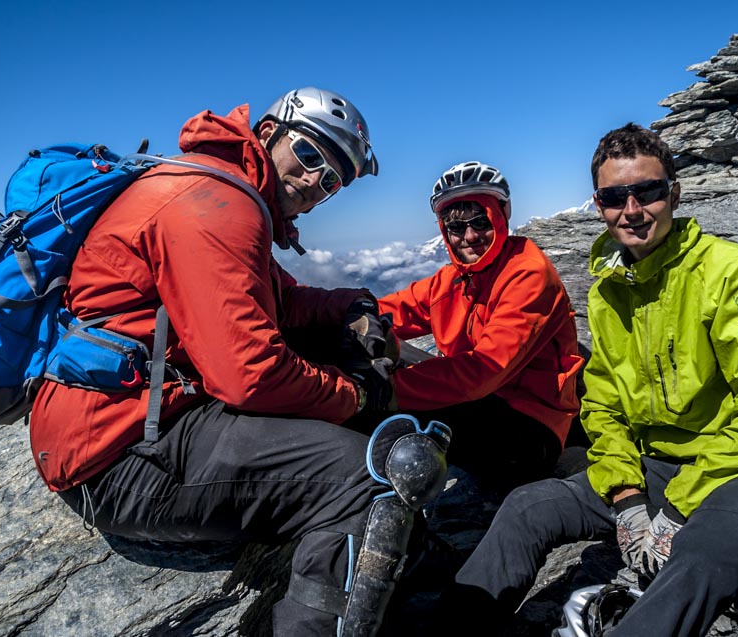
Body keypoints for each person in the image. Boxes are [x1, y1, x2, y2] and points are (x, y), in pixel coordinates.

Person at [28, 87, 439, 636]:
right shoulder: (218, 205)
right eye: (312, 156)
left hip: (132, 418)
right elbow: (249, 375)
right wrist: (354, 395)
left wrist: (350, 303)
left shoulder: (218, 188)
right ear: (268, 135)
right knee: (365, 481)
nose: (318, 181)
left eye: (334, 179)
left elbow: (279, 302)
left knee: (335, 361)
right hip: (121, 452)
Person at [442, 124, 738, 635]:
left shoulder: (734, 275)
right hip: (660, 465)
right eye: (613, 197)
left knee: (706, 554)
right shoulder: (610, 290)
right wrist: (626, 498)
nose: (631, 209)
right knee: (528, 507)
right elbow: (602, 402)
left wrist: (674, 510)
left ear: (674, 193)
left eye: (646, 191)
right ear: (598, 204)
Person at [377, 161, 585, 492]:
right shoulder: (454, 279)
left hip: (531, 432)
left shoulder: (527, 274)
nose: (470, 236)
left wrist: (386, 391)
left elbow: (482, 372)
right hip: (489, 408)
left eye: (480, 222)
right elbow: (393, 310)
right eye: (456, 228)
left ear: (502, 215)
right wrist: (349, 313)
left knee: (386, 416)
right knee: (390, 364)